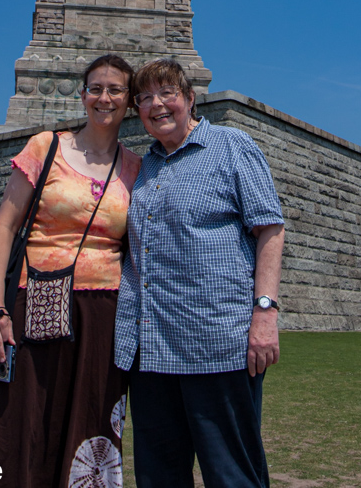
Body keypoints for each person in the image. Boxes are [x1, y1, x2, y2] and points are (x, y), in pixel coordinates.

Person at [0, 54, 141, 488]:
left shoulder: (136, 166)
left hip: (103, 316)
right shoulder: (47, 145)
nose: (104, 97)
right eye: (95, 88)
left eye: (115, 89)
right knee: (18, 420)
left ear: (129, 100)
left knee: (91, 422)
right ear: (82, 95)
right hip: (33, 301)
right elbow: (4, 226)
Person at [115, 59, 285, 488]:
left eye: (167, 93)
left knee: (232, 474)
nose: (157, 104)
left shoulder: (232, 146)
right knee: (158, 476)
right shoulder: (142, 166)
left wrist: (265, 312)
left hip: (216, 344)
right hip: (150, 351)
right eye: (145, 98)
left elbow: (270, 228)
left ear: (190, 99)